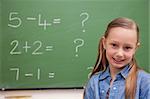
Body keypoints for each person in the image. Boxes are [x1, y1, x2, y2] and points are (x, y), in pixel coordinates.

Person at [83, 17, 150, 99]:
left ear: (135, 48)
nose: (119, 54)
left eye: (127, 47)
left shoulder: (146, 82)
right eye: (114, 45)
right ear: (104, 43)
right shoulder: (94, 82)